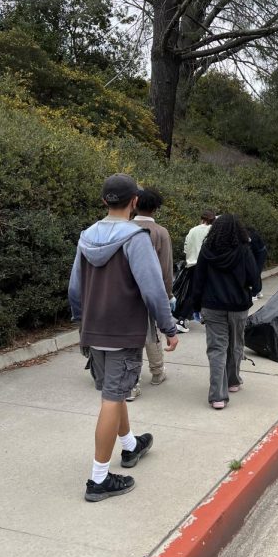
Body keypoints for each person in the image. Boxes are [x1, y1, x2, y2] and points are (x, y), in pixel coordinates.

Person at [68, 173, 179, 502]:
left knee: (113, 392)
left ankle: (131, 446)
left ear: (105, 201)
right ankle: (98, 480)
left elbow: (75, 288)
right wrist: (168, 328)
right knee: (113, 399)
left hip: (94, 329)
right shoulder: (136, 237)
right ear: (134, 201)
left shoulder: (86, 236)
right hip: (123, 330)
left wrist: (81, 319)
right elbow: (153, 289)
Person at [192, 214, 262, 409]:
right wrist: (253, 289)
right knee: (236, 343)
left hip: (212, 305)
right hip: (238, 305)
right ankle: (233, 380)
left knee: (216, 349)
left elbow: (198, 280)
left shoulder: (206, 251)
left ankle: (217, 395)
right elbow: (254, 278)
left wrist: (195, 305)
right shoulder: (244, 250)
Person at [125, 187, 174, 401]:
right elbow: (166, 268)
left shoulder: (123, 228)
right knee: (150, 333)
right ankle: (157, 372)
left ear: (134, 204)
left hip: (124, 291)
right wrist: (167, 294)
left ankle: (131, 383)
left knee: (128, 338)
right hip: (150, 291)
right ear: (156, 208)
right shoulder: (160, 232)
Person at [175, 209, 216, 329]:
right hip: (207, 266)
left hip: (192, 265)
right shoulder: (212, 231)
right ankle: (184, 319)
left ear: (202, 218)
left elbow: (186, 248)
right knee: (207, 292)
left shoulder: (192, 230)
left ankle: (185, 319)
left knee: (192, 292)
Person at [247, 226, 268, 298]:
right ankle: (257, 291)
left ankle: (255, 293)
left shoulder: (252, 236)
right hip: (256, 253)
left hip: (261, 253)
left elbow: (253, 248)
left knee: (256, 272)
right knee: (255, 272)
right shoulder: (247, 235)